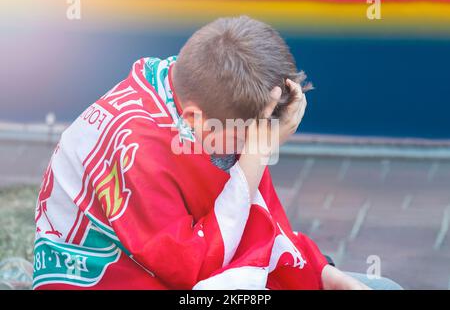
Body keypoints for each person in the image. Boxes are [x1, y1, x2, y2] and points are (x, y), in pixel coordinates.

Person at [32, 15, 401, 290]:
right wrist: (257, 152)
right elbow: (192, 269)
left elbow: (246, 214)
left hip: (169, 262)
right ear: (196, 120)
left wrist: (323, 273)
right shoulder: (138, 149)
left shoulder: (198, 95)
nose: (250, 148)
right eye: (245, 138)